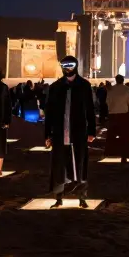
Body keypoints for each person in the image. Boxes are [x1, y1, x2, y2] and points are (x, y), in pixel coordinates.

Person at [45, 56, 97, 207]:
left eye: (71, 65)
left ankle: (81, 197)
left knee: (80, 164)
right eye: (65, 65)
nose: (68, 68)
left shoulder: (84, 86)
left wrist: (92, 131)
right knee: (59, 165)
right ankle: (59, 197)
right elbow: (50, 112)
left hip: (78, 132)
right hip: (60, 133)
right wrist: (47, 134)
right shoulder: (55, 87)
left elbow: (90, 110)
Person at [104, 74, 129, 162]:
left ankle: (110, 154)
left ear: (116, 80)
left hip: (113, 115)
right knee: (125, 136)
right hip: (123, 115)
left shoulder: (111, 90)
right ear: (123, 80)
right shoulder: (126, 89)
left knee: (111, 136)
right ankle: (124, 156)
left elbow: (107, 102)